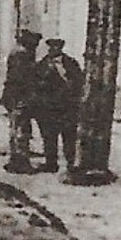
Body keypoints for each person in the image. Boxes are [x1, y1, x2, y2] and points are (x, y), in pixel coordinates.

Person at [36, 37, 83, 173]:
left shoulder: (71, 63)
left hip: (68, 106)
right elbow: (36, 84)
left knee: (69, 136)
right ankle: (51, 163)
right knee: (49, 137)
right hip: (49, 107)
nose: (53, 50)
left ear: (61, 48)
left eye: (57, 47)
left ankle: (70, 163)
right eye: (51, 47)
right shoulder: (42, 65)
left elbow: (79, 80)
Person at [1, 29, 42, 174]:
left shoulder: (16, 52)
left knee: (15, 127)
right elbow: (23, 78)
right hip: (20, 96)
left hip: (13, 95)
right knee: (22, 129)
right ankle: (20, 162)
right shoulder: (22, 55)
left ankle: (15, 160)